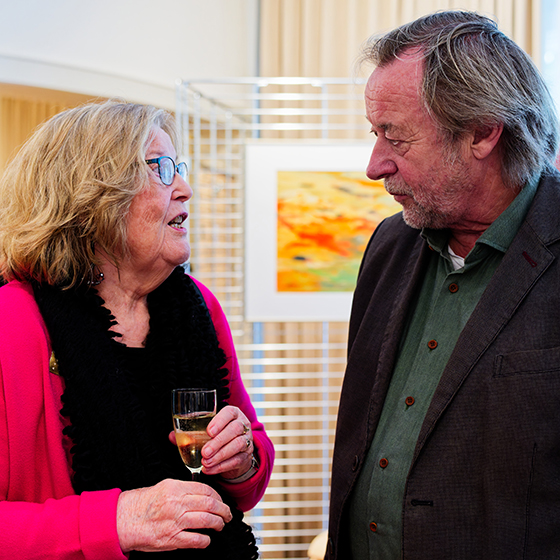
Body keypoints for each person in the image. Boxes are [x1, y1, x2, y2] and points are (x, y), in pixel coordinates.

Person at [327, 10, 560, 560]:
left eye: (396, 137)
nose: (374, 165)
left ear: (481, 132)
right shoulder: (389, 245)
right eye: (375, 134)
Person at [0, 100, 274, 559]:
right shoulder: (12, 321)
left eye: (179, 168)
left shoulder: (198, 305)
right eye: (160, 169)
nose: (185, 189)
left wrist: (241, 460)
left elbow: (249, 473)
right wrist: (117, 521)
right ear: (91, 196)